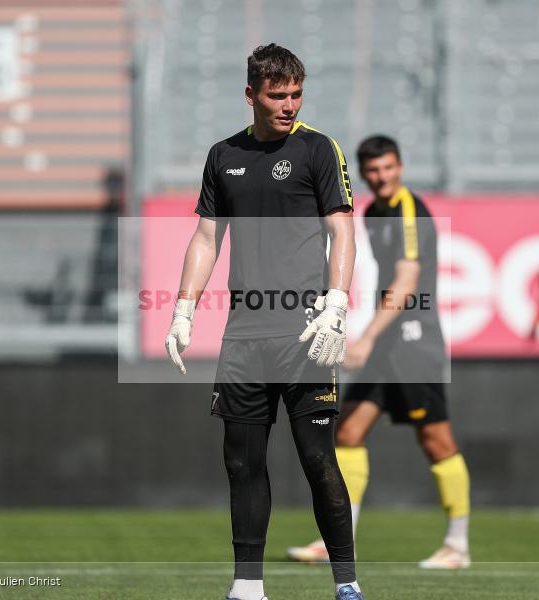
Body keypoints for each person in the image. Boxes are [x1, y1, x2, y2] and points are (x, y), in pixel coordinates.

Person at [165, 44, 365, 600]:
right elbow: (207, 237)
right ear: (250, 94)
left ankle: (347, 583)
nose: (289, 105)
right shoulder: (222, 155)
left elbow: (342, 229)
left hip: (306, 332)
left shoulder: (317, 149)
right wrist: (183, 308)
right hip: (244, 335)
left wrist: (337, 303)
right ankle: (248, 587)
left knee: (317, 457)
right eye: (277, 96)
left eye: (296, 94)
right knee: (242, 461)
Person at [286, 135, 471, 570]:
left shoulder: (409, 210)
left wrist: (366, 337)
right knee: (348, 433)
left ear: (400, 167)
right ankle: (338, 538)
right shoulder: (371, 212)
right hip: (386, 344)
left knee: (436, 441)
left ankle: (457, 545)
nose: (381, 177)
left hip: (414, 343)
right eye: (373, 170)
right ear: (364, 174)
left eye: (388, 168)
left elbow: (406, 285)